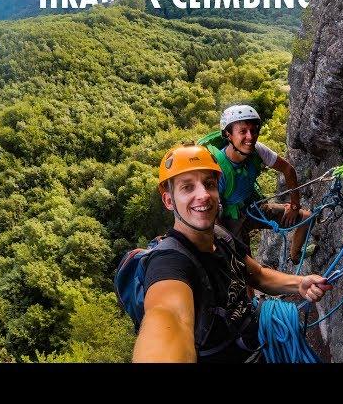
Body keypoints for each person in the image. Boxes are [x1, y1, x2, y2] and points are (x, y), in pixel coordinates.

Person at [132, 143, 332, 363]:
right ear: (169, 201)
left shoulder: (220, 235)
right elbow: (171, 318)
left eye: (209, 184)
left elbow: (258, 275)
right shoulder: (168, 263)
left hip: (255, 342)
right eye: (187, 187)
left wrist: (299, 283)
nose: (203, 195)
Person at [211, 104, 312, 264]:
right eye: (243, 131)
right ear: (228, 135)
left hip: (253, 207)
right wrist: (225, 242)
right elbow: (213, 215)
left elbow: (287, 169)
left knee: (306, 217)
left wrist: (294, 206)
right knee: (247, 268)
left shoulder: (257, 150)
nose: (250, 137)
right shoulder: (218, 171)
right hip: (231, 220)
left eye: (254, 130)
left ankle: (294, 257)